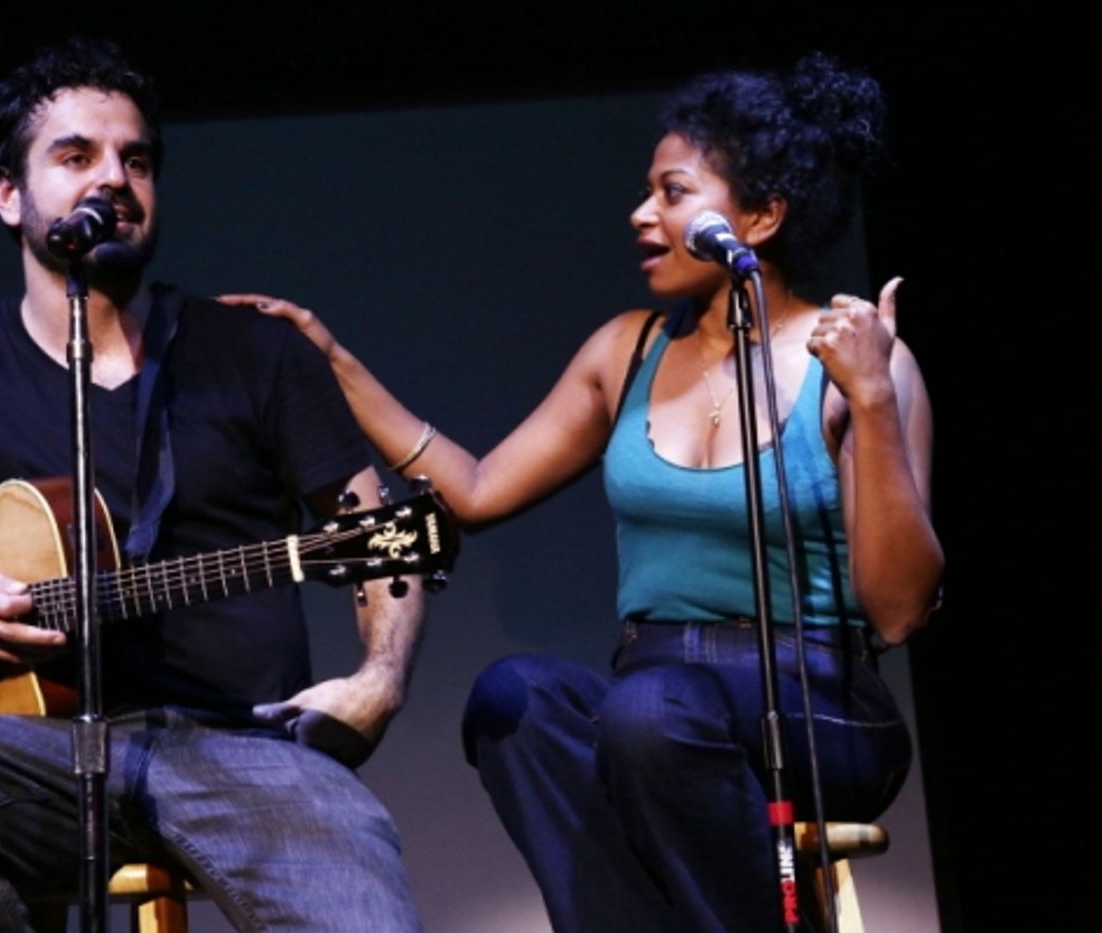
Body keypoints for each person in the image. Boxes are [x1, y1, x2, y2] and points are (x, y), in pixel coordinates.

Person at [223, 53, 943, 932]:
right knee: (513, 698)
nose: (642, 214)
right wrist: (335, 363)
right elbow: (479, 491)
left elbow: (901, 610)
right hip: (658, 697)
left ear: (758, 217)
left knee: (648, 714)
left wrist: (870, 398)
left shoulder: (855, 358)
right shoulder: (626, 351)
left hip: (818, 700)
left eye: (673, 193)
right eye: (648, 192)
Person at [0, 38, 427, 932]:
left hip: (242, 742)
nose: (115, 179)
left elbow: (375, 534)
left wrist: (380, 681)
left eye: (136, 160)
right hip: (34, 752)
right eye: (77, 156)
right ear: (7, 193)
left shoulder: (255, 352)